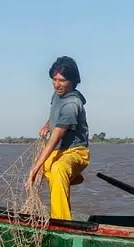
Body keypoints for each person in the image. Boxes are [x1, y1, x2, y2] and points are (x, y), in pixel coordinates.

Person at [27, 56, 90, 220]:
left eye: (61, 80)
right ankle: (73, 178)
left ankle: (62, 222)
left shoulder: (71, 105)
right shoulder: (57, 95)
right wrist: (47, 125)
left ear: (72, 81)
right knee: (48, 165)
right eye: (54, 79)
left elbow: (55, 138)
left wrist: (34, 168)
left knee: (57, 169)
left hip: (75, 152)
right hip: (59, 150)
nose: (56, 84)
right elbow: (55, 115)